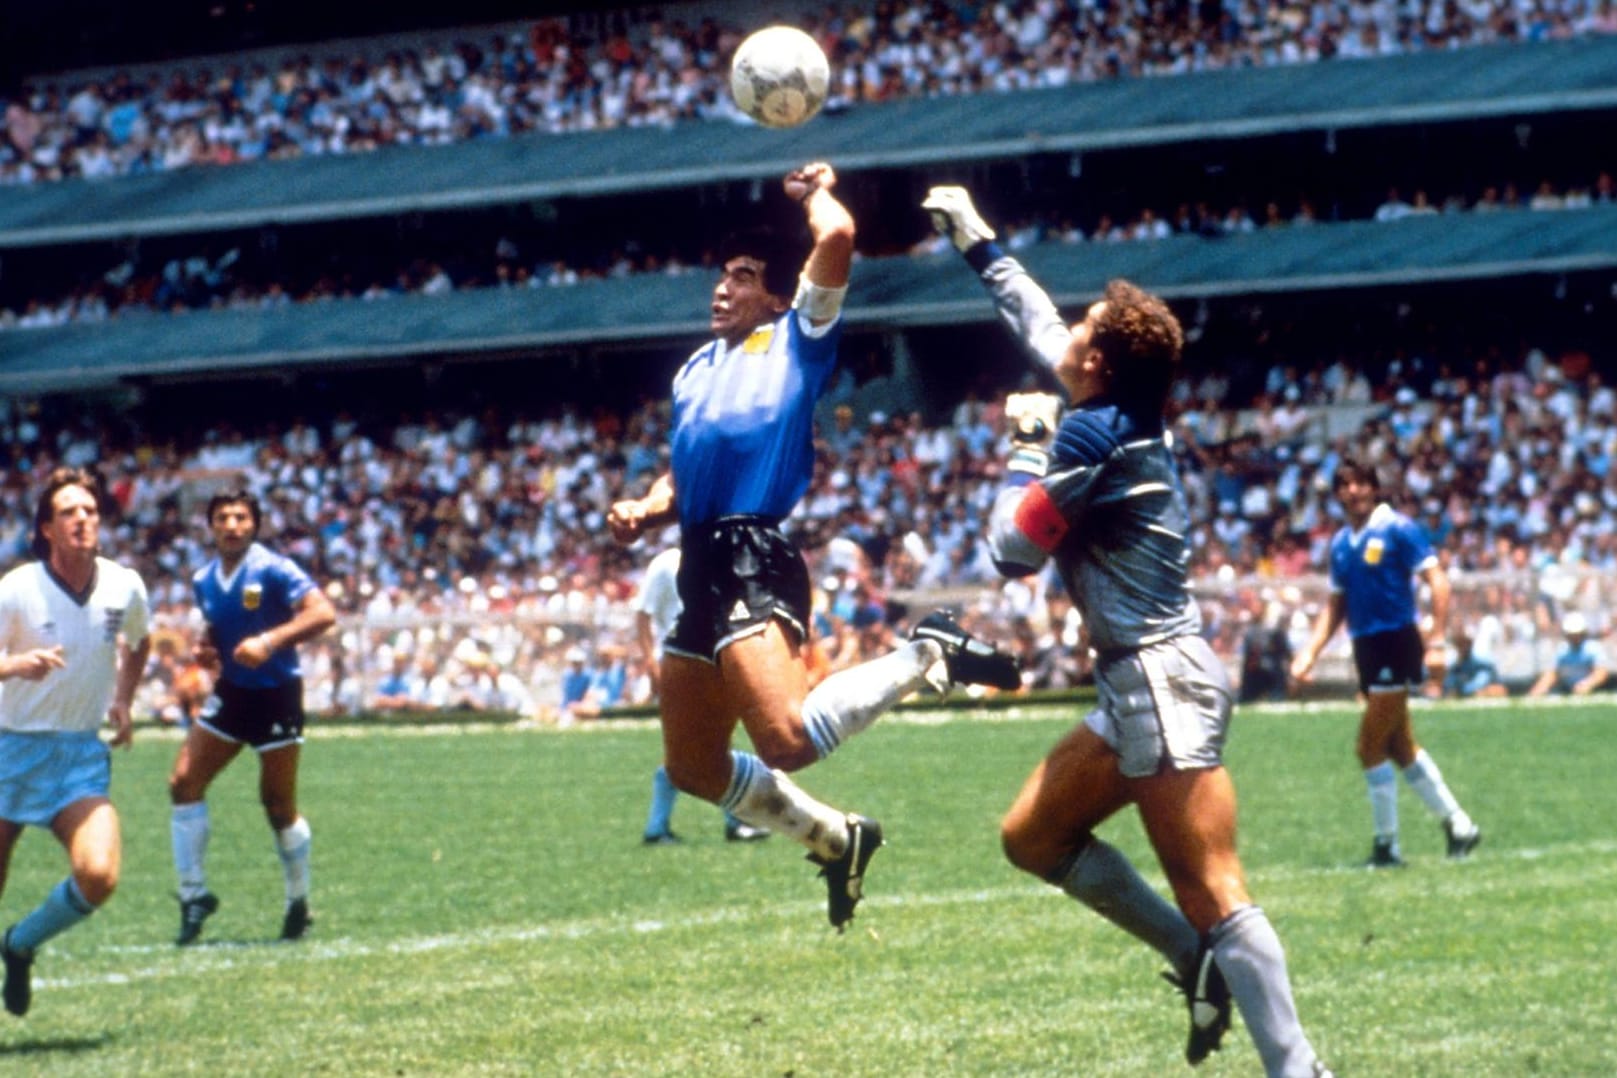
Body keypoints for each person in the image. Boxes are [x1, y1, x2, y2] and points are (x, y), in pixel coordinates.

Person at [924, 186, 1331, 1076]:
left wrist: (1024, 447)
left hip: (1158, 677)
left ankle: (1299, 1070)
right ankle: (1195, 963)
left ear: (1098, 359)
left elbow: (1007, 554)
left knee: (1212, 890)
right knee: (1032, 836)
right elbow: (1039, 325)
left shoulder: (1091, 437)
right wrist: (978, 241)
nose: (1069, 326)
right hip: (1140, 680)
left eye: (1087, 324)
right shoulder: (1113, 412)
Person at [607, 162, 1018, 931]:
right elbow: (688, 465)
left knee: (787, 740)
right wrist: (649, 506)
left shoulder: (799, 334)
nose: (722, 288)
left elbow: (836, 235)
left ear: (773, 292)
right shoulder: (695, 369)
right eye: (720, 275)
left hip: (751, 553)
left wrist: (811, 193)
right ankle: (835, 839)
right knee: (691, 767)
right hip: (700, 557)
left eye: (742, 276)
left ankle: (923, 655)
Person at [0, 467, 151, 1017]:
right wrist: (15, 664)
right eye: (68, 512)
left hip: (78, 755)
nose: (82, 519)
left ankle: (19, 944)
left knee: (99, 875)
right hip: (8, 749)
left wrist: (124, 699)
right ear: (46, 528)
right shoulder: (16, 588)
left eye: (89, 510)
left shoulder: (124, 584)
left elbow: (141, 638)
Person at [1290, 458, 1482, 867]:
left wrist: (1436, 642)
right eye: (1344, 485)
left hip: (1396, 642)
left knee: (1368, 746)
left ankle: (1387, 846)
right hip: (1366, 647)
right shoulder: (1342, 544)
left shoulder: (1399, 529)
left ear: (1374, 488)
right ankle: (1459, 825)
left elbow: (1438, 581)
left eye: (1359, 483)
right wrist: (1309, 652)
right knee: (1399, 745)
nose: (1352, 492)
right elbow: (1335, 606)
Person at [168, 490, 337, 945]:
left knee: (278, 806)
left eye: (241, 517)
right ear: (211, 526)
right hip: (233, 694)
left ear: (254, 525)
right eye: (223, 517)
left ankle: (298, 902)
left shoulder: (275, 569)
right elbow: (215, 632)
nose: (232, 525)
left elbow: (324, 613)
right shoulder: (204, 579)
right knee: (183, 782)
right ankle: (193, 896)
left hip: (277, 696)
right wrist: (207, 649)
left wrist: (269, 642)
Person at [634, 547, 768, 845]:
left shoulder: (721, 558)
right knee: (691, 747)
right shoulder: (667, 562)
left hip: (715, 661)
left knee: (710, 743)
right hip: (679, 661)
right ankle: (726, 823)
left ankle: (664, 827)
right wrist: (650, 664)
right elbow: (643, 614)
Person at [1526, 611, 1611, 697]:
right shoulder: (1562, 650)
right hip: (1568, 691)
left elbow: (1601, 672)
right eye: (1571, 635)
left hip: (1594, 692)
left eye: (1577, 634)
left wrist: (1588, 684)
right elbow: (1552, 673)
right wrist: (1540, 688)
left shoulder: (1593, 648)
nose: (1574, 637)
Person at [1442, 629, 1508, 699]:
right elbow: (1449, 680)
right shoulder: (1456, 663)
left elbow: (1490, 671)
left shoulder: (1479, 658)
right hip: (1463, 685)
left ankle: (1471, 693)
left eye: (1466, 644)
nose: (1464, 648)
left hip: (1478, 684)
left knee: (1483, 675)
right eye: (1461, 645)